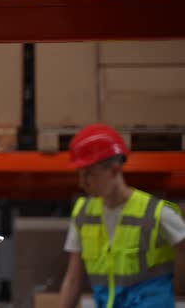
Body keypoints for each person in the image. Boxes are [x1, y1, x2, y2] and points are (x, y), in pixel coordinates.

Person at [59, 124, 185, 308]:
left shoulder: (156, 213)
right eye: (80, 174)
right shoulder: (83, 214)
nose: (82, 183)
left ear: (115, 169)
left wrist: (179, 286)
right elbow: (72, 280)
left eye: (89, 174)